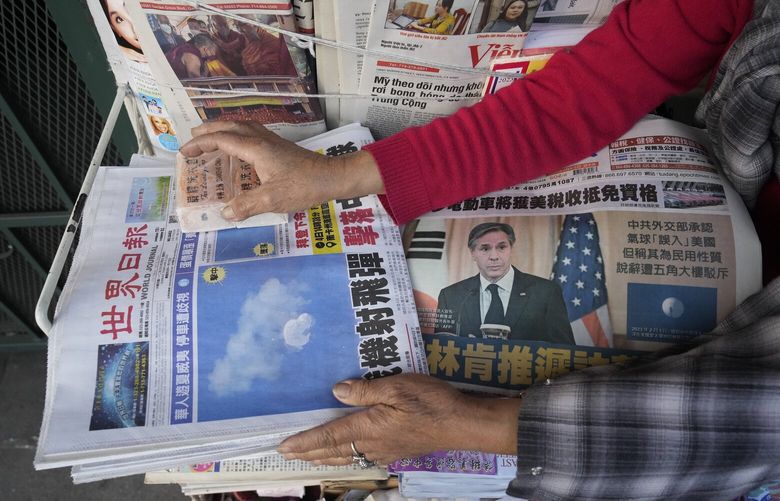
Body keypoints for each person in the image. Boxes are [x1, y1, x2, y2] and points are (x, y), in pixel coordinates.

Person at [180, 0, 780, 499]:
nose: (491, 255)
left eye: (498, 247)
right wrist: (340, 176)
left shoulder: (550, 293)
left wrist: (474, 426)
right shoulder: (458, 292)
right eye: (486, 246)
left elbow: (754, 424)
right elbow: (584, 93)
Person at [436, 222, 574, 343]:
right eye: (485, 249)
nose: (494, 257)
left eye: (502, 247)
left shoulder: (546, 292)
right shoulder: (451, 296)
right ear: (473, 253)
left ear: (511, 249)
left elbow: (564, 351)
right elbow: (441, 350)